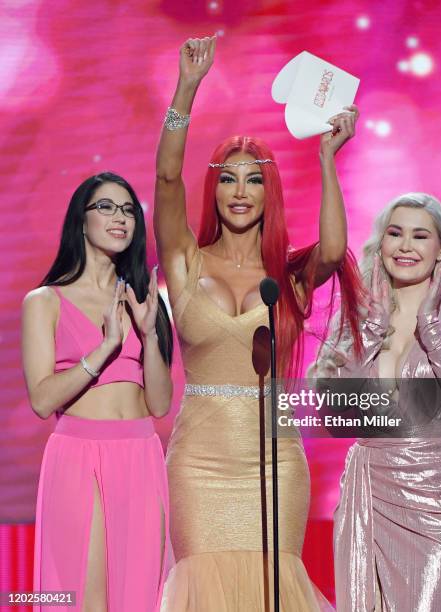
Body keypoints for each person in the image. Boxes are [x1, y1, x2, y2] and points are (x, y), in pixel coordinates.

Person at [154, 36, 364, 611]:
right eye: (228, 176)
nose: (240, 190)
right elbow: (167, 181)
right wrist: (187, 88)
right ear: (214, 187)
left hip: (275, 460)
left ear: (269, 191)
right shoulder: (184, 260)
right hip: (200, 460)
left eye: (253, 178)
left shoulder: (289, 275)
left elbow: (338, 247)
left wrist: (327, 160)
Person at [310, 193, 441, 611]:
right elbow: (336, 415)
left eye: (420, 235)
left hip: (438, 504)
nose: (405, 245)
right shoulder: (355, 316)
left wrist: (430, 324)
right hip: (368, 494)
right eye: (395, 233)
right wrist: (372, 327)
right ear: (382, 243)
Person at [22, 172, 174, 612]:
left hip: (141, 455)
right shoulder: (44, 301)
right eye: (105, 207)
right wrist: (104, 347)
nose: (120, 218)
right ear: (81, 220)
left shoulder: (145, 300)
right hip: (77, 456)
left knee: (140, 596)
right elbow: (42, 399)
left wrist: (147, 334)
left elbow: (160, 404)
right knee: (83, 595)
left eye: (128, 209)